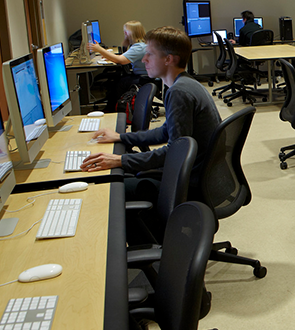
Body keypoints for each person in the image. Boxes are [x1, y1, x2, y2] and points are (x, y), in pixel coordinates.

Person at [80, 26, 222, 201]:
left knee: (106, 188)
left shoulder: (179, 92)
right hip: (192, 173)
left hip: (187, 183)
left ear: (168, 59)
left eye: (150, 54)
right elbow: (165, 132)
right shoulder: (183, 84)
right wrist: (121, 137)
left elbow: (175, 152)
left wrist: (120, 160)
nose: (144, 59)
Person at [88, 20, 149, 112]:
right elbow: (123, 58)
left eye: (126, 31)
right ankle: (112, 107)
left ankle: (113, 109)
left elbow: (121, 60)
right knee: (119, 78)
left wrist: (99, 49)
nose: (124, 33)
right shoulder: (140, 44)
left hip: (144, 78)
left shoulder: (138, 47)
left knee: (119, 82)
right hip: (143, 74)